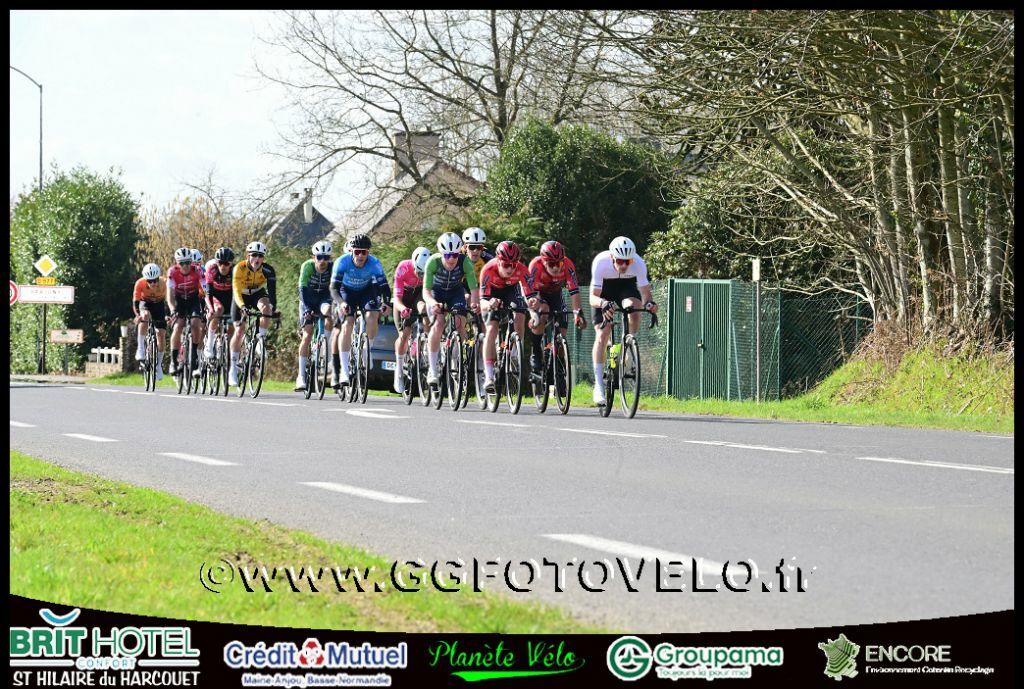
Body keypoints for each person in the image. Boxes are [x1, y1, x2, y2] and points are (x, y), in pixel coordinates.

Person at [588, 236, 659, 405]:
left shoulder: (639, 263)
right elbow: (592, 297)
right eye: (620, 261)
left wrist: (649, 304)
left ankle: (628, 346)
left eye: (627, 261)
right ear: (612, 257)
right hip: (604, 293)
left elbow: (645, 294)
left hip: (626, 288)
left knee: (633, 310)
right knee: (602, 333)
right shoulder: (601, 262)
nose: (624, 265)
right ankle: (598, 386)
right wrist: (603, 304)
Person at [328, 233, 391, 387]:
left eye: (364, 252)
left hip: (366, 291)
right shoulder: (342, 262)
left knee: (372, 315)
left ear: (368, 253)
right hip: (346, 292)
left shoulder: (374, 263)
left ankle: (367, 349)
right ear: (351, 252)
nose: (361, 255)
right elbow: (333, 288)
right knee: (348, 323)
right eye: (357, 252)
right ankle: (343, 369)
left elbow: (384, 288)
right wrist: (341, 303)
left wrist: (385, 303)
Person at [422, 232, 480, 388]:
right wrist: (433, 303)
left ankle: (460, 356)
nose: (452, 259)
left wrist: (475, 303)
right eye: (447, 255)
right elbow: (426, 291)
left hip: (455, 292)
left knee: (461, 322)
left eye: (455, 254)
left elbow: (474, 287)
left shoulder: (465, 262)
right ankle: (433, 370)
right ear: (441, 253)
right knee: (439, 323)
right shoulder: (432, 262)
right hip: (436, 292)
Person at [478, 241, 536, 393]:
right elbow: (482, 301)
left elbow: (530, 295)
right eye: (506, 265)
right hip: (492, 295)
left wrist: (532, 302)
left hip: (511, 290)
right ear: (498, 261)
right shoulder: (488, 269)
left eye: (513, 264)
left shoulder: (522, 270)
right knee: (491, 329)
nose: (510, 268)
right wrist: (490, 303)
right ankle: (489, 376)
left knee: (520, 314)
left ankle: (515, 351)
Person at [525, 240, 586, 376]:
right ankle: (536, 352)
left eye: (559, 263)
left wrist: (578, 314)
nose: (556, 268)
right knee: (543, 312)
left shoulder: (567, 264)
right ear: (543, 261)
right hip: (539, 295)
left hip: (556, 295)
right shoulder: (535, 265)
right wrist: (534, 314)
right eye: (551, 264)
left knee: (562, 330)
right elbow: (530, 294)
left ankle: (559, 369)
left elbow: (574, 291)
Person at [229, 241, 277, 387]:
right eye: (254, 255)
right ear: (248, 256)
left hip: (257, 293)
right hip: (240, 296)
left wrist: (273, 308)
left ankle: (260, 340)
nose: (257, 259)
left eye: (260, 256)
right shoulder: (239, 268)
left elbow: (272, 293)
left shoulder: (268, 270)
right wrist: (242, 306)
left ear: (263, 258)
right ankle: (233, 367)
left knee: (266, 308)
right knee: (239, 331)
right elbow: (236, 290)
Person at [295, 240, 336, 391]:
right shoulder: (307, 266)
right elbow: (302, 290)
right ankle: (300, 376)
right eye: (319, 257)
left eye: (326, 257)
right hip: (308, 299)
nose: (323, 261)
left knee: (328, 315)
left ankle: (324, 347)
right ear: (314, 257)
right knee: (307, 334)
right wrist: (306, 310)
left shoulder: (332, 268)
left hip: (324, 299)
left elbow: (336, 287)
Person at [391, 246, 431, 393]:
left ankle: (427, 347)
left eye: (424, 274)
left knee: (424, 310)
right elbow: (397, 298)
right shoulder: (403, 268)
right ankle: (399, 370)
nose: (421, 276)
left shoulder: (431, 268)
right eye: (419, 272)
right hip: (404, 297)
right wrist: (403, 309)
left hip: (420, 294)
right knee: (404, 334)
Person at [166, 247, 206, 377]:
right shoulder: (172, 272)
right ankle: (173, 361)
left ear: (191, 262)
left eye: (188, 262)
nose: (185, 266)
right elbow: (170, 295)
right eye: (182, 263)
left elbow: (206, 290)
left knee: (196, 323)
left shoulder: (198, 271)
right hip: (179, 301)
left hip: (193, 299)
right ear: (177, 263)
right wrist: (173, 310)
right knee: (178, 327)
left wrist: (209, 306)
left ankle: (194, 354)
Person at [132, 263, 168, 380]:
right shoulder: (140, 283)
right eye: (150, 281)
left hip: (159, 305)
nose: (153, 283)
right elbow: (136, 302)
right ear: (145, 279)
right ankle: (141, 348)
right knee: (145, 315)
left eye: (155, 280)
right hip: (145, 303)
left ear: (159, 278)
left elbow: (170, 300)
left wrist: (169, 315)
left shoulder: (164, 283)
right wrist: (138, 315)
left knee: (161, 335)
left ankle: (158, 365)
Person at [203, 247, 235, 361]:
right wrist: (211, 309)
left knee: (232, 325)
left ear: (231, 264)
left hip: (230, 296)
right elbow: (209, 293)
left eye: (226, 263)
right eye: (220, 263)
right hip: (215, 295)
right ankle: (210, 345)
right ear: (217, 262)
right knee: (218, 310)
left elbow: (238, 292)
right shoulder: (211, 270)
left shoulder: (235, 271)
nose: (223, 266)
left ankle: (230, 355)